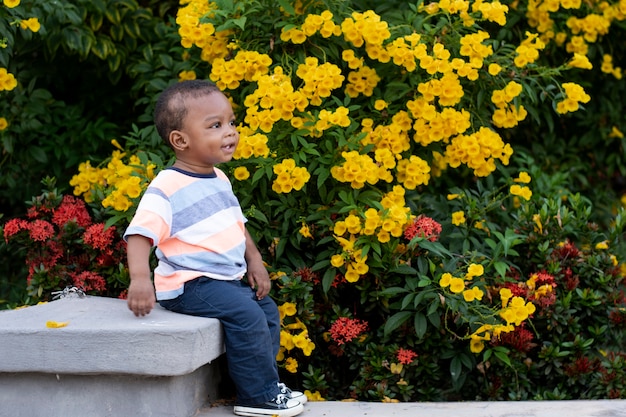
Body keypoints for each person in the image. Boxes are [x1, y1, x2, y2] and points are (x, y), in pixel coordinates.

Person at [124, 79, 306, 417]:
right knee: (249, 316)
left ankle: (260, 384)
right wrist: (140, 279)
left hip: (224, 281)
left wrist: (255, 261)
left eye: (232, 123)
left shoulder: (218, 178)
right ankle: (257, 398)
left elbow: (236, 225)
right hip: (189, 284)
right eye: (216, 125)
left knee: (267, 312)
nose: (231, 132)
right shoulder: (167, 186)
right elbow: (139, 234)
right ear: (180, 140)